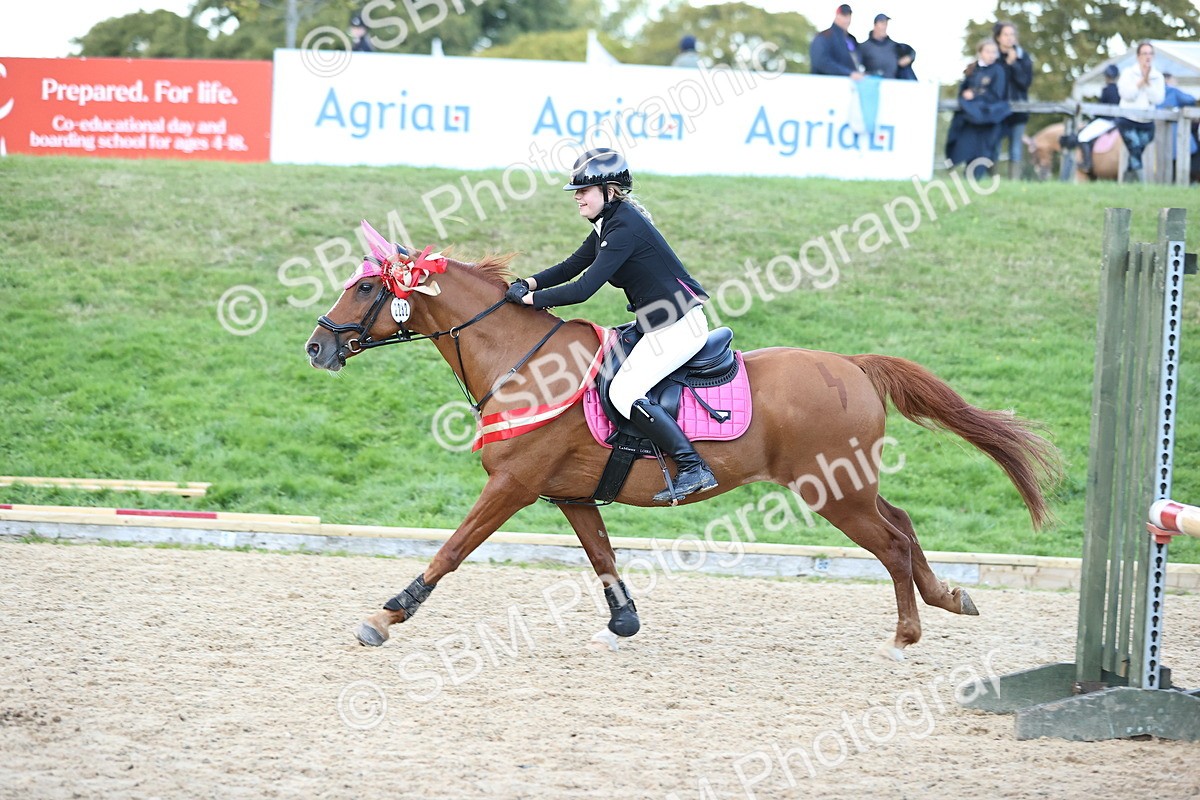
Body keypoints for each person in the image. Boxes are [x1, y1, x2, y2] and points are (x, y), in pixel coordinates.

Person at [503, 149, 718, 504]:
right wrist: (529, 283)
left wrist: (529, 302)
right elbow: (571, 265)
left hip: (678, 327)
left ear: (610, 191)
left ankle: (692, 466)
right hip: (656, 323)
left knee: (624, 392)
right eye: (575, 190)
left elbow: (584, 288)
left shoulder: (624, 228)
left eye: (583, 190)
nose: (576, 197)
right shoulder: (611, 222)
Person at [945, 39, 1009, 180]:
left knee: (983, 151)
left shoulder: (998, 70)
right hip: (970, 118)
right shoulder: (972, 69)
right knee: (966, 147)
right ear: (980, 52)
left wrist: (975, 94)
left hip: (988, 118)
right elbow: (963, 91)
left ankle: (977, 179)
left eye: (994, 52)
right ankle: (967, 178)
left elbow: (997, 94)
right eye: (988, 52)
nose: (991, 55)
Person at [1117, 41, 1166, 183]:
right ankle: (1141, 182)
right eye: (1144, 53)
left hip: (1147, 122)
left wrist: (1148, 82)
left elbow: (1158, 99)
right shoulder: (1128, 73)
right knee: (1135, 148)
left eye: (1150, 53)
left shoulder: (1158, 77)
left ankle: (1127, 181)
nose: (1148, 57)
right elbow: (1127, 95)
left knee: (1137, 151)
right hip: (1128, 119)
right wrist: (1140, 82)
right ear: (1138, 56)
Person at [993, 21, 1034, 179]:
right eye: (1006, 34)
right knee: (994, 146)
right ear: (998, 37)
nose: (1010, 38)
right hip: (998, 110)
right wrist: (1006, 64)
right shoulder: (993, 56)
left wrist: (1014, 64)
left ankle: (1013, 182)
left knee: (1015, 148)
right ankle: (993, 180)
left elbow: (1025, 83)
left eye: (1012, 34)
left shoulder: (1023, 57)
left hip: (1019, 110)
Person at [1078, 64, 1121, 175]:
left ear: (1106, 77)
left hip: (1106, 121)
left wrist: (1091, 120)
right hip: (1117, 122)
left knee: (1083, 137)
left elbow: (1100, 110)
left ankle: (1087, 164)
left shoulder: (1106, 90)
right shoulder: (1119, 90)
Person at [1158, 74, 1198, 176]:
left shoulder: (1154, 93)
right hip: (1177, 133)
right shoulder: (1172, 91)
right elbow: (1190, 99)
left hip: (1158, 136)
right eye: (1173, 79)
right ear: (1167, 80)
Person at [810, 4, 864, 79]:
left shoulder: (852, 39)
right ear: (837, 15)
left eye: (849, 16)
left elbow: (857, 62)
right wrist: (848, 73)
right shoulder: (824, 36)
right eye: (844, 15)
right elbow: (821, 62)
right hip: (828, 85)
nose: (847, 19)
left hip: (850, 86)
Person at [858, 14, 916, 80]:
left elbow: (911, 52)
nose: (884, 26)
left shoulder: (893, 46)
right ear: (875, 25)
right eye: (882, 23)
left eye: (885, 24)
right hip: (873, 85)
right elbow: (855, 64)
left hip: (893, 84)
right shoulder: (864, 47)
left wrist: (909, 58)